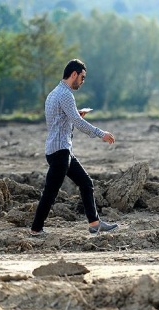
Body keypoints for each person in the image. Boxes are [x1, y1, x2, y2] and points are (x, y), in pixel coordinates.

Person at [30, 59, 118, 236]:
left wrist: (75, 114)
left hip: (60, 150)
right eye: (82, 78)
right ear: (74, 74)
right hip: (60, 152)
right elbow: (77, 122)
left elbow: (60, 120)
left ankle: (94, 223)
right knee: (50, 192)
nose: (83, 82)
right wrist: (101, 134)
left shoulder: (54, 93)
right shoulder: (66, 95)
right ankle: (36, 229)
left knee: (86, 183)